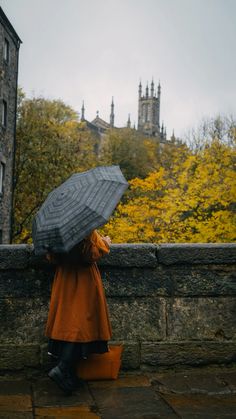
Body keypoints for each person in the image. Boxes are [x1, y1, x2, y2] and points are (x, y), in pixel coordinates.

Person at [45, 229, 112, 395]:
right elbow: (91, 255)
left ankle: (70, 375)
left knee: (69, 323)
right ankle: (62, 368)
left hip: (64, 279)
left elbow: (51, 257)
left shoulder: (55, 232)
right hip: (83, 280)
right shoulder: (86, 228)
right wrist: (105, 242)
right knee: (79, 326)